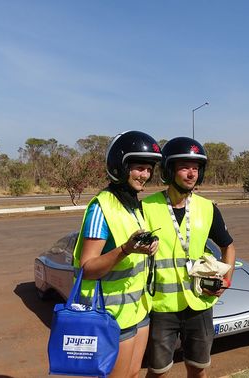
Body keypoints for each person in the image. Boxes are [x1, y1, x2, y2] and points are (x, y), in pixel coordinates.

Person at [142, 137, 236, 378]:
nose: (191, 174)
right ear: (169, 169)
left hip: (200, 304)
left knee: (197, 368)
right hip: (162, 307)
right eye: (185, 167)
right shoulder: (147, 207)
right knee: (158, 371)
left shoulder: (208, 208)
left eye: (196, 168)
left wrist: (226, 280)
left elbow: (228, 246)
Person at [72, 130, 162, 378]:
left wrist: (149, 246)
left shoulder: (134, 205)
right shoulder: (102, 208)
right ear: (119, 166)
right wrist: (125, 250)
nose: (145, 175)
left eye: (149, 169)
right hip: (111, 315)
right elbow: (87, 268)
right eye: (139, 168)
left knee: (133, 374)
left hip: (138, 308)